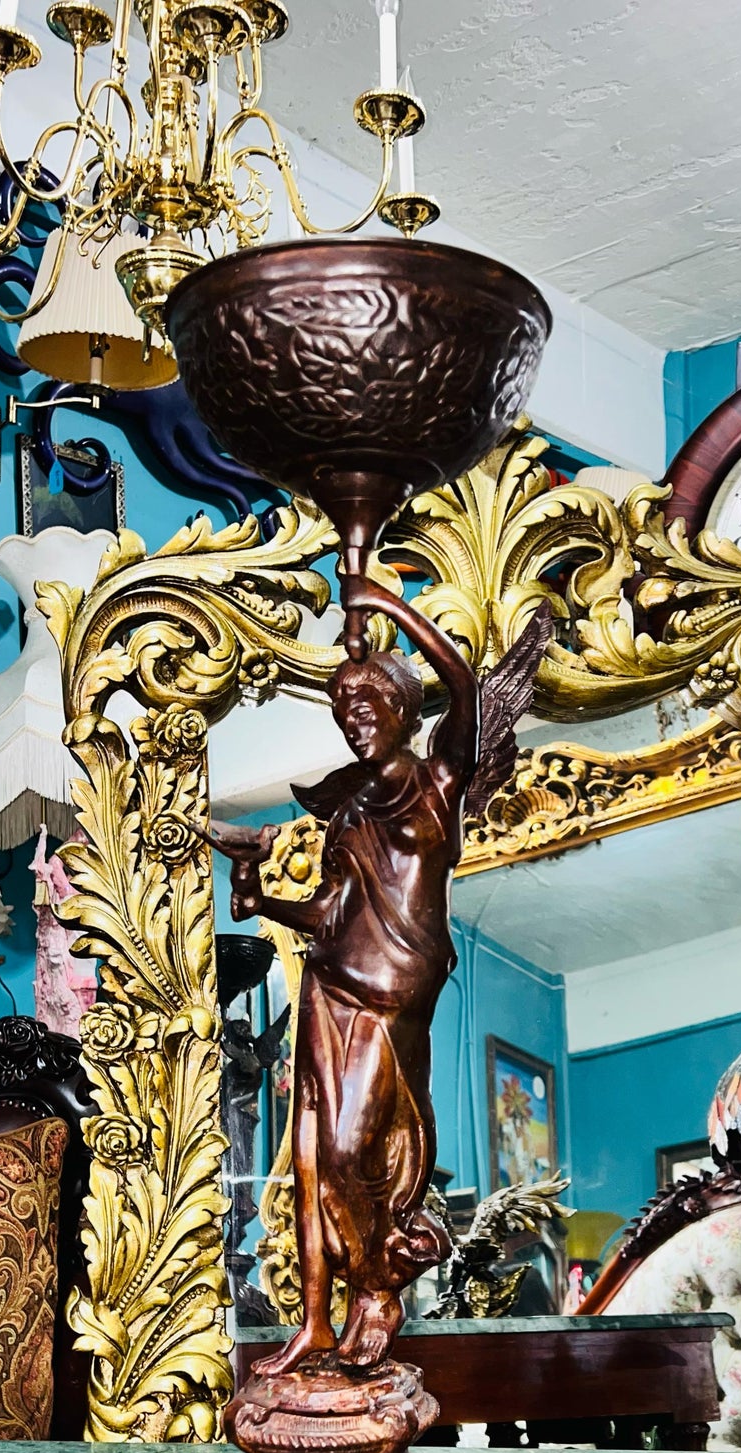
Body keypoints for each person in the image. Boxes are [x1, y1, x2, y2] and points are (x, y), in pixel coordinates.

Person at [216, 572, 481, 1373]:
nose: (354, 721)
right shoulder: (349, 810)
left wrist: (384, 605)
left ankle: (376, 1285)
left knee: (345, 1152)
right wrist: (255, 893)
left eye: (368, 707)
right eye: (343, 713)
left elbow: (463, 684)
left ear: (403, 711)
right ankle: (314, 1322)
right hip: (330, 986)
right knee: (309, 1163)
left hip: (391, 999)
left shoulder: (438, 783)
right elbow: (329, 913)